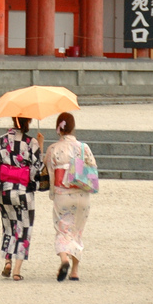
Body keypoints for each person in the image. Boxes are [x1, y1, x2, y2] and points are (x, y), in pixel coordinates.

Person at [0, 116, 44, 280]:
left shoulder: (1, 141)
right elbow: (37, 169)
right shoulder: (32, 143)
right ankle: (16, 270)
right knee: (24, 229)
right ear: (28, 122)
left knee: (8, 227)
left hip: (4, 191)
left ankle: (7, 261)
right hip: (23, 192)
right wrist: (40, 146)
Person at [44, 111, 95, 282]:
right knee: (77, 231)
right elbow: (92, 168)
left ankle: (64, 259)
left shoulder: (53, 149)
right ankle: (75, 271)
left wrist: (53, 193)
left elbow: (49, 173)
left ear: (58, 128)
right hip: (82, 193)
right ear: (73, 128)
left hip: (63, 193)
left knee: (63, 229)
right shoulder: (84, 147)